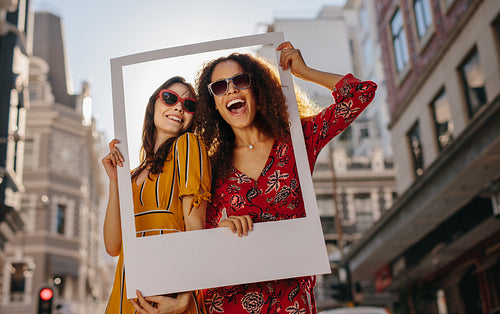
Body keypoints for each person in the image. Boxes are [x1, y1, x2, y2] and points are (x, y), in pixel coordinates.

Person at [194, 41, 377, 313]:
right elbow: (199, 243)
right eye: (220, 87)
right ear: (215, 105)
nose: (231, 89)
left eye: (240, 81)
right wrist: (222, 230)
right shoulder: (209, 167)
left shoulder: (298, 142)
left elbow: (361, 93)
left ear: (256, 88)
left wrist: (303, 71)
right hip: (229, 303)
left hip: (291, 302)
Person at [102, 76, 211, 314]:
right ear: (154, 105)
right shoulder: (129, 175)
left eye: (189, 104)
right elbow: (113, 247)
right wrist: (114, 182)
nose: (180, 106)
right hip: (126, 290)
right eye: (170, 98)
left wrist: (184, 299)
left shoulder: (187, 145)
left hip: (169, 292)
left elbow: (196, 230)